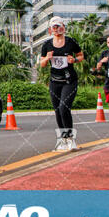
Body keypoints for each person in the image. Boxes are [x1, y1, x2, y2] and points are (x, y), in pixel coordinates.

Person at [40, 16, 84, 151]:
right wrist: (47, 58)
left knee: (64, 107)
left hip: (69, 81)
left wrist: (74, 60)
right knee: (58, 111)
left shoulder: (70, 42)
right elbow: (42, 64)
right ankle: (63, 139)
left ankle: (71, 139)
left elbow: (81, 56)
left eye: (59, 26)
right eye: (54, 27)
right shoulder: (46, 45)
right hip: (55, 82)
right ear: (50, 30)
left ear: (63, 28)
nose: (57, 29)